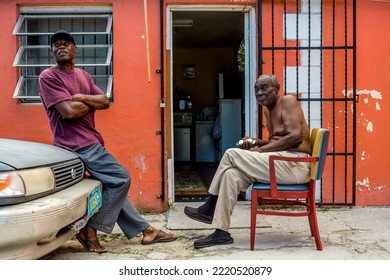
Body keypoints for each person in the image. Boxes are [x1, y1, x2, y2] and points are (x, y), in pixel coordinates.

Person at [38, 30, 176, 253]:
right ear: (51, 51)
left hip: (90, 141)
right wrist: (92, 102)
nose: (61, 47)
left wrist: (82, 98)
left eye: (66, 43)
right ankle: (90, 230)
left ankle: (147, 230)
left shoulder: (83, 76)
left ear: (75, 49)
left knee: (111, 185)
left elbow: (105, 102)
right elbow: (69, 111)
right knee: (121, 178)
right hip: (77, 144)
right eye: (56, 45)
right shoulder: (49, 77)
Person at [184, 74, 312, 249]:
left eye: (264, 88)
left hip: (296, 166)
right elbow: (278, 142)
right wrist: (258, 142)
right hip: (281, 162)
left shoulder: (288, 101)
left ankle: (209, 206)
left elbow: (295, 137)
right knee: (231, 175)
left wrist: (260, 150)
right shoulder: (268, 110)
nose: (259, 93)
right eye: (256, 89)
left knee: (231, 154)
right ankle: (221, 232)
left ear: (277, 89)